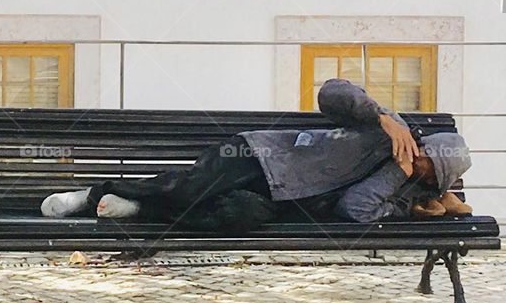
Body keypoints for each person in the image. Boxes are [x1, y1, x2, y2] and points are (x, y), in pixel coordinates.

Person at [40, 78, 472, 231]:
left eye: (428, 173)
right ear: (426, 144)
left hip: (281, 204)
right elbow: (332, 91)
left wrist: (402, 183)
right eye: (424, 158)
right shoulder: (384, 126)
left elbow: (354, 210)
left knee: (234, 214)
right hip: (262, 157)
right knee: (191, 187)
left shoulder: (402, 192)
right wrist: (382, 116)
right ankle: (93, 194)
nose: (417, 165)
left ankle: (136, 209)